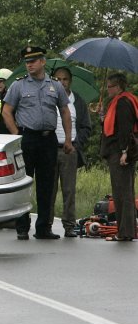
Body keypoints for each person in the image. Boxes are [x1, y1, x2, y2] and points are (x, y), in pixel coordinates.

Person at [1, 46, 75, 241]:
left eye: (33, 61)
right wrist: (17, 133)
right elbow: (6, 111)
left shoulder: (55, 86)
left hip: (48, 139)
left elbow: (65, 111)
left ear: (43, 62)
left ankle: (43, 227)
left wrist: (67, 139)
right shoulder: (19, 85)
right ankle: (22, 226)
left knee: (46, 185)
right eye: (27, 62)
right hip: (28, 138)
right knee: (24, 184)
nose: (29, 64)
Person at [45, 66, 92, 237]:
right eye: (58, 79)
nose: (62, 82)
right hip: (50, 149)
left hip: (69, 150)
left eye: (65, 79)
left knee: (69, 190)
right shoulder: (48, 99)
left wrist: (76, 144)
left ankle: (69, 226)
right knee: (48, 189)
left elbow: (87, 127)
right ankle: (46, 224)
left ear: (70, 81)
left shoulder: (77, 101)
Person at [98, 73, 138, 242]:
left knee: (122, 193)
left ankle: (125, 232)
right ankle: (125, 231)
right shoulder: (122, 101)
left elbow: (125, 130)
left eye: (110, 86)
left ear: (118, 86)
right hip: (120, 151)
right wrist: (102, 116)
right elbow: (112, 126)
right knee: (124, 191)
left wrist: (124, 152)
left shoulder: (123, 102)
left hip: (119, 152)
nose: (107, 90)